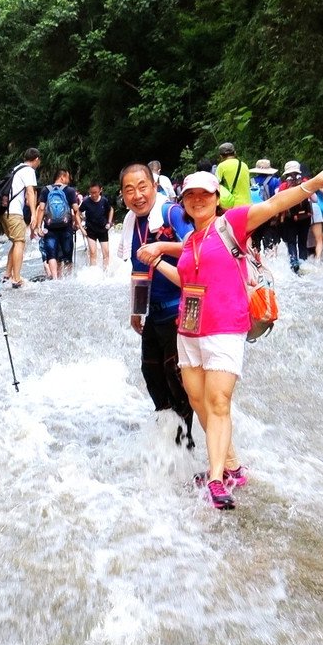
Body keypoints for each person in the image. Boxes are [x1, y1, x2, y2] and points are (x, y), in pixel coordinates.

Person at [146, 161, 323, 509]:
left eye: (204, 194)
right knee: (197, 400)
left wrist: (313, 184)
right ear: (183, 202)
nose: (197, 200)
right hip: (189, 329)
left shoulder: (231, 224)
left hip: (224, 328)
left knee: (218, 402)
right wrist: (158, 258)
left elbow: (272, 206)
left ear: (216, 196)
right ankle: (232, 466)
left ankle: (217, 479)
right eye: (190, 195)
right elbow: (189, 282)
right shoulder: (192, 239)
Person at [118, 162, 195, 447]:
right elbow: (139, 268)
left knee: (177, 380)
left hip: (181, 312)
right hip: (154, 314)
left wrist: (162, 247)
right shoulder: (132, 222)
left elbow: (197, 245)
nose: (137, 195)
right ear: (123, 195)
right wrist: (137, 309)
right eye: (129, 190)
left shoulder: (170, 212)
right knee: (152, 374)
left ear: (154, 186)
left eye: (142, 187)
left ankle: (186, 447)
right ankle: (171, 439)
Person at [31, 168, 82, 280]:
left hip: (50, 227)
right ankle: (69, 279)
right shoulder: (69, 191)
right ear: (62, 177)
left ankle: (55, 279)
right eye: (67, 177)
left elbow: (41, 209)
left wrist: (38, 227)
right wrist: (76, 223)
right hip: (66, 227)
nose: (68, 180)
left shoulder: (45, 190)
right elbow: (75, 208)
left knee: (52, 254)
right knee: (67, 255)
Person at [1, 148, 41, 288]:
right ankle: (16, 279)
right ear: (36, 159)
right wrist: (34, 215)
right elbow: (30, 192)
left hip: (4, 212)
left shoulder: (16, 169)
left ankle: (7, 275)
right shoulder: (29, 171)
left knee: (15, 242)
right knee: (19, 242)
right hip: (14, 212)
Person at [290, 160, 323, 262]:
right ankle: (318, 260)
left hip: (299, 215)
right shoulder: (309, 182)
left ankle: (304, 260)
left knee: (305, 240)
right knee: (318, 239)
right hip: (313, 210)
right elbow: (315, 199)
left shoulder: (289, 184)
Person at [80, 181, 115, 269]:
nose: (93, 195)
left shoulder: (104, 201)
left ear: (100, 190)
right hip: (91, 230)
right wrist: (82, 222)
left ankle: (105, 271)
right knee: (92, 252)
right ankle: (93, 272)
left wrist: (109, 222)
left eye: (95, 192)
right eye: (91, 193)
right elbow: (78, 212)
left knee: (106, 252)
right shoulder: (86, 202)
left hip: (103, 229)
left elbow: (111, 210)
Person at [214, 142, 254, 210]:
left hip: (233, 207)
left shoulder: (221, 166)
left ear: (221, 156)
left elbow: (214, 184)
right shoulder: (244, 165)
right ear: (235, 153)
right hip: (249, 205)